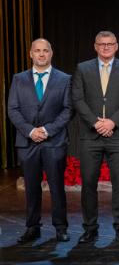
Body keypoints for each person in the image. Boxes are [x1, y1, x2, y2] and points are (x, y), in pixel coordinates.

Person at [71, 31, 119, 243]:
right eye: (102, 44)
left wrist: (112, 122)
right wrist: (96, 123)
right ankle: (90, 228)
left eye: (110, 44)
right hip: (90, 136)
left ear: (116, 46)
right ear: (95, 46)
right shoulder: (83, 68)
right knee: (88, 183)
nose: (106, 47)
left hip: (117, 135)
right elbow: (77, 99)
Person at [8, 38, 73, 243]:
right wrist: (30, 131)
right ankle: (32, 227)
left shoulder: (64, 79)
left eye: (45, 50)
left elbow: (68, 110)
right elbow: (13, 109)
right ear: (31, 54)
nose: (42, 54)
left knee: (56, 186)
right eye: (37, 50)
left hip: (54, 141)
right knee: (31, 187)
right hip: (27, 142)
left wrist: (46, 130)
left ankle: (61, 227)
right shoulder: (18, 79)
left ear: (51, 53)